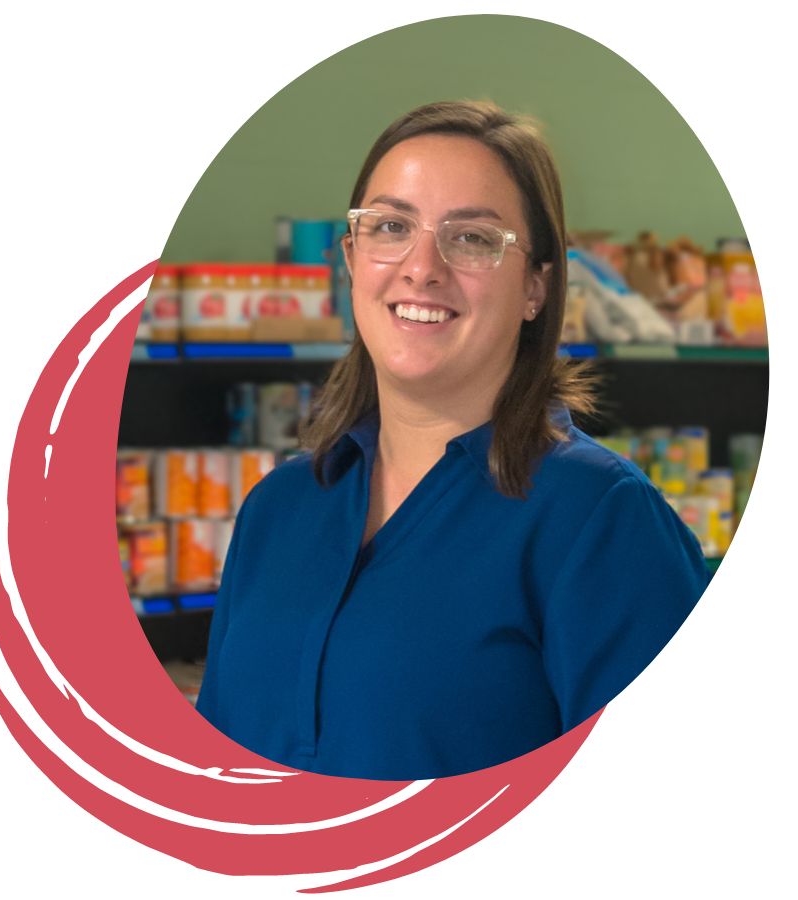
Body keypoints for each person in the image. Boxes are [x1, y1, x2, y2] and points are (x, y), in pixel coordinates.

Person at [196, 100, 711, 781]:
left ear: (535, 286)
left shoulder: (602, 520)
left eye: (471, 238)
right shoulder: (278, 508)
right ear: (351, 258)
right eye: (391, 226)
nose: (422, 267)